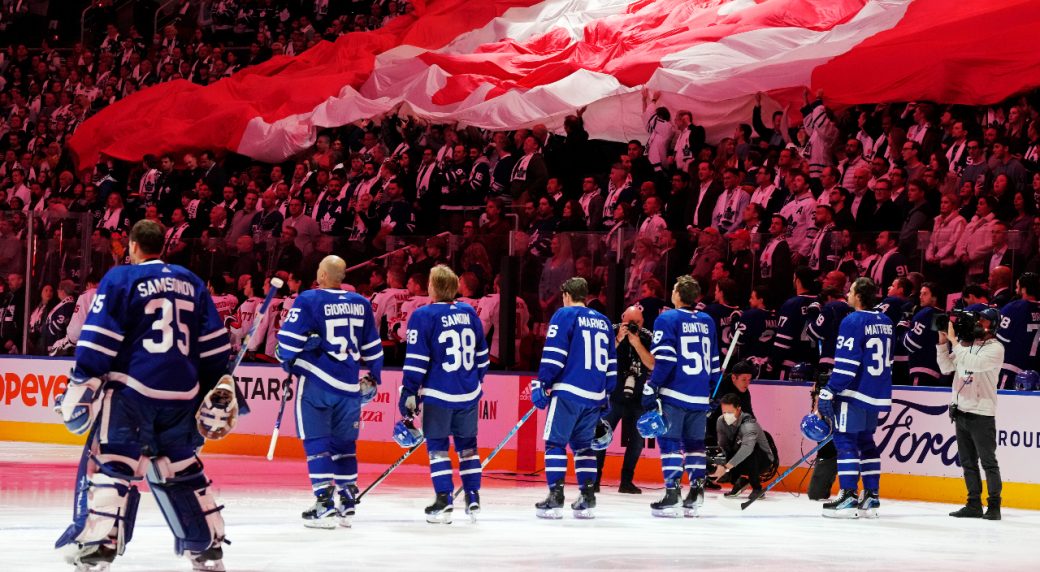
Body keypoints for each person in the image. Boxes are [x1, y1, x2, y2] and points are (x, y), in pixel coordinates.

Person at [56, 220, 235, 570]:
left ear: (133, 246)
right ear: (161, 246)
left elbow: (97, 338)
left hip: (132, 391)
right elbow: (214, 346)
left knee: (115, 464)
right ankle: (208, 546)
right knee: (181, 468)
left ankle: (98, 545)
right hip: (183, 394)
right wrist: (217, 384)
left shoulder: (122, 278)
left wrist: (84, 377)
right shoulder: (191, 281)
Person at [275, 255, 384, 528]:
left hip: (317, 383)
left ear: (323, 275)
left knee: (316, 444)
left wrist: (286, 355)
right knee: (344, 446)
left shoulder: (309, 299)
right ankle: (346, 501)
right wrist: (375, 377)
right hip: (349, 386)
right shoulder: (361, 303)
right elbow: (374, 348)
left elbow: (287, 344)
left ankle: (324, 503)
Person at [399, 266, 490, 523]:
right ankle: (473, 498)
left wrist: (409, 391)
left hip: (439, 394)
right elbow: (482, 359)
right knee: (468, 448)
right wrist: (473, 382)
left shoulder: (423, 315)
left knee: (438, 448)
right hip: (468, 393)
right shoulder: (470, 312)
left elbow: (416, 361)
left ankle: (444, 500)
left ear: (434, 287)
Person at [530, 277, 617, 519]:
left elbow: (555, 354)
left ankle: (555, 495)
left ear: (567, 295)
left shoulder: (564, 315)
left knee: (555, 444)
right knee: (583, 447)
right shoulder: (604, 321)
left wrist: (543, 382)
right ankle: (587, 496)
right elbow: (612, 363)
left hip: (568, 392)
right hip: (595, 396)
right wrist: (606, 393)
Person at [816, 277, 893, 519]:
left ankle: (848, 495)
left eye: (850, 291)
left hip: (854, 393)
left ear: (858, 296)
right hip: (877, 392)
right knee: (866, 442)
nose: (847, 294)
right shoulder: (886, 321)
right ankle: (871, 495)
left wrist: (829, 390)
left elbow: (847, 365)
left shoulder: (852, 320)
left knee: (845, 440)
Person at [644, 275, 719, 518]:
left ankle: (672, 491)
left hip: (675, 393)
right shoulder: (707, 321)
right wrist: (710, 389)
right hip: (699, 394)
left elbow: (665, 359)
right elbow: (715, 363)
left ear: (677, 294)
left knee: (670, 443)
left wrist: (652, 384)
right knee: (695, 444)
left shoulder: (667, 318)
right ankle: (696, 491)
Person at [937, 307, 1004, 520]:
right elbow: (945, 367)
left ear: (992, 326)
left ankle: (994, 506)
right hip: (961, 411)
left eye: (983, 321)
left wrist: (955, 341)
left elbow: (972, 363)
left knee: (988, 462)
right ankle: (973, 503)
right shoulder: (967, 346)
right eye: (978, 320)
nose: (978, 324)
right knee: (967, 462)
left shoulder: (995, 349)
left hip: (982, 413)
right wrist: (942, 342)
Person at [595, 306, 653, 494]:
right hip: (614, 396)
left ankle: (626, 481)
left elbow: (652, 364)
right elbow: (599, 358)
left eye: (638, 323)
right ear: (622, 318)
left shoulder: (647, 336)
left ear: (642, 322)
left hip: (637, 399)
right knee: (601, 437)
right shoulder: (611, 330)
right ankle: (594, 480)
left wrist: (636, 343)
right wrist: (619, 338)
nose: (634, 326)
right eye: (630, 323)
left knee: (636, 442)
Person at [710, 393, 774, 499]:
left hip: (762, 460)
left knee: (750, 451)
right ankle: (738, 483)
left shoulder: (749, 425)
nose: (726, 416)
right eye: (724, 412)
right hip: (740, 457)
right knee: (721, 452)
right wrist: (718, 465)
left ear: (739, 410)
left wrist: (726, 468)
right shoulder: (721, 421)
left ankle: (757, 488)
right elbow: (723, 446)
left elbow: (747, 449)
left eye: (730, 412)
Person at [995, 272, 1040, 389]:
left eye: (1017, 287)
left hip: (1011, 367)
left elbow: (1000, 338)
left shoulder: (1014, 307)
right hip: (1034, 369)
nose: (1016, 290)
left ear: (1023, 289)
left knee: (1002, 403)